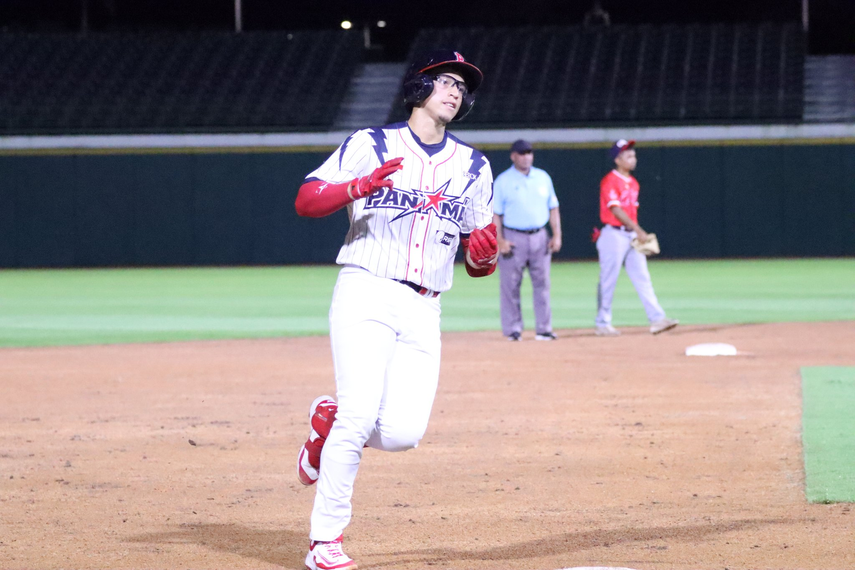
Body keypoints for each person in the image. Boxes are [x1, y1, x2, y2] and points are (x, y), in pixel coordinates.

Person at [293, 50, 497, 570]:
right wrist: (357, 187)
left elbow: (480, 258)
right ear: (418, 88)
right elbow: (307, 200)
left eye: (461, 86)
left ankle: (329, 424)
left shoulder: (474, 166)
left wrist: (486, 255)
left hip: (426, 306)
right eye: (444, 81)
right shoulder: (371, 143)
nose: (455, 91)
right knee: (361, 412)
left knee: (404, 434)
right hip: (367, 288)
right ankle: (325, 541)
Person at [594, 139, 678, 336]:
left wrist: (635, 232)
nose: (633, 159)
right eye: (628, 156)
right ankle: (602, 323)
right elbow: (615, 209)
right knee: (608, 279)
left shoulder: (633, 183)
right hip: (613, 234)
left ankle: (657, 319)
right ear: (617, 159)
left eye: (634, 155)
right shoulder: (610, 180)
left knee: (643, 278)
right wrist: (639, 230)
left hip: (630, 235)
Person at [493, 139, 562, 341]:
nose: (526, 156)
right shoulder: (503, 181)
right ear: (513, 156)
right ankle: (513, 330)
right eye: (521, 153)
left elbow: (553, 207)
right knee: (510, 286)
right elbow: (495, 214)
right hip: (513, 237)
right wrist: (500, 240)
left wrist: (557, 235)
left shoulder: (543, 177)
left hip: (540, 236)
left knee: (543, 285)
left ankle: (544, 329)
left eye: (529, 152)